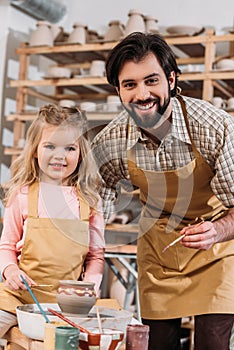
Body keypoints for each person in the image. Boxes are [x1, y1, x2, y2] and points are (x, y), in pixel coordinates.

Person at [91, 32, 234, 350]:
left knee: (212, 341)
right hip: (160, 252)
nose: (142, 94)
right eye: (130, 85)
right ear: (118, 90)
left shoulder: (214, 127)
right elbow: (93, 207)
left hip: (218, 248)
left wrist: (219, 229)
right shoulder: (112, 141)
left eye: (151, 80)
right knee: (157, 343)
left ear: (171, 79)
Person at [0, 104, 105, 337]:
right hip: (18, 297)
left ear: (81, 153)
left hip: (69, 305)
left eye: (70, 148)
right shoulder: (22, 195)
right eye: (50, 146)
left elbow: (95, 256)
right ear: (36, 150)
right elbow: (6, 246)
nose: (60, 155)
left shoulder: (89, 201)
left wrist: (90, 286)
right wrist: (10, 271)